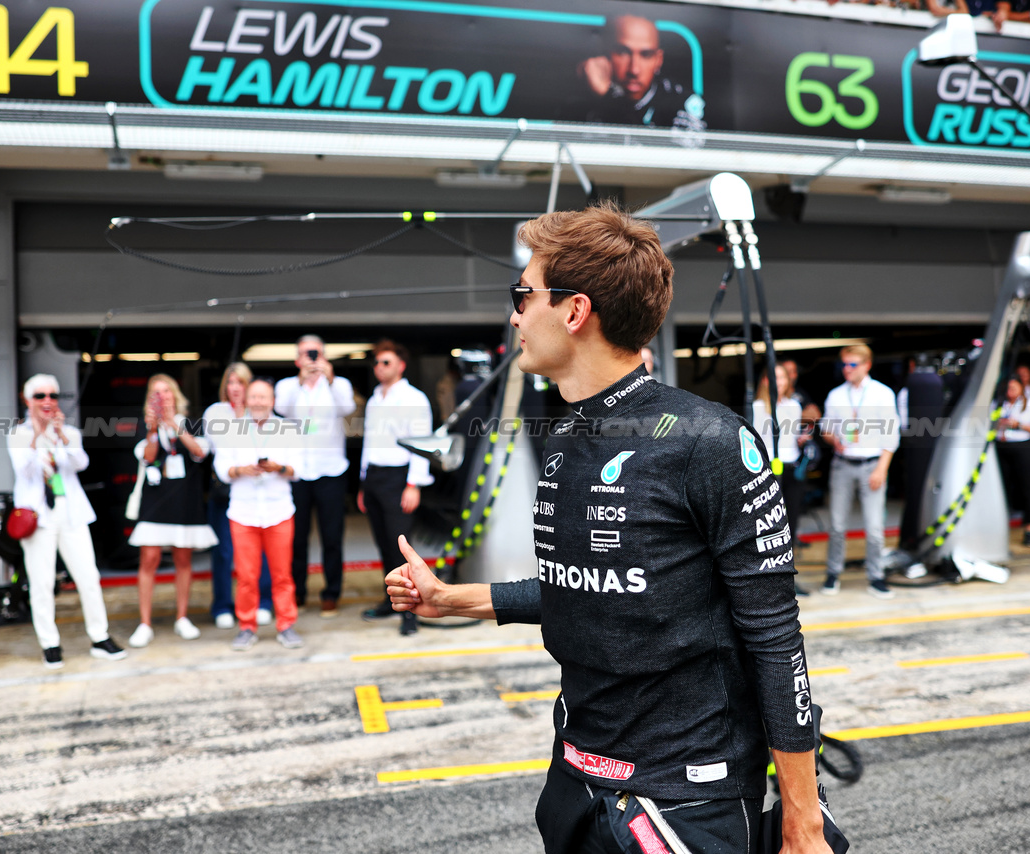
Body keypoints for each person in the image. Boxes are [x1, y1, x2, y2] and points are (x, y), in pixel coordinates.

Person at [385, 204, 828, 854]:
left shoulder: (710, 441)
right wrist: (454, 600)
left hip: (684, 798)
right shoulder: (566, 433)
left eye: (522, 295)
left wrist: (803, 824)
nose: (514, 315)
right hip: (574, 779)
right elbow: (598, 588)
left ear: (573, 311)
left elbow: (776, 637)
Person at [7, 374, 126, 668]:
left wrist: (59, 436)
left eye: (52, 395)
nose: (47, 401)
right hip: (38, 515)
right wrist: (38, 435)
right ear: (27, 400)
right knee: (42, 582)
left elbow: (81, 463)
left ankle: (100, 637)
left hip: (69, 510)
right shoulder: (18, 434)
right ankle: (50, 643)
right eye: (40, 396)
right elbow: (24, 471)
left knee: (89, 577)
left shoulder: (69, 431)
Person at [126, 375, 218, 648]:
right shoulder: (146, 427)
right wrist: (154, 429)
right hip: (156, 499)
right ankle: (145, 623)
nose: (163, 397)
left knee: (183, 559)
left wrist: (173, 425)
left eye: (166, 392)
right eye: (157, 393)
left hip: (185, 499)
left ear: (175, 395)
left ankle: (182, 617)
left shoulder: (190, 423)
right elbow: (148, 457)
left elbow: (200, 452)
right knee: (149, 558)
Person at [213, 379, 304, 650]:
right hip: (243, 513)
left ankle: (286, 624)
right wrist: (241, 470)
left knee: (282, 574)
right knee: (246, 575)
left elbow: (298, 470)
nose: (258, 402)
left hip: (279, 511)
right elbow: (221, 468)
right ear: (246, 400)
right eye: (254, 397)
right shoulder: (231, 430)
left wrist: (278, 467)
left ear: (272, 401)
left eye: (263, 397)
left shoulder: (288, 429)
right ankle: (247, 626)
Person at [357, 340, 435, 636]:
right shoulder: (376, 397)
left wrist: (413, 484)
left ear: (401, 366)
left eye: (386, 362)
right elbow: (370, 442)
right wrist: (364, 483)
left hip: (399, 477)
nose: (379, 367)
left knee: (401, 547)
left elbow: (421, 444)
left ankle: (411, 613)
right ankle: (392, 602)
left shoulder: (414, 398)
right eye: (376, 363)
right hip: (375, 476)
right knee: (383, 544)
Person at [275, 336, 356, 617]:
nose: (311, 359)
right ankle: (298, 592)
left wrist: (330, 379)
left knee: (332, 536)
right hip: (298, 472)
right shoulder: (287, 386)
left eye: (316, 354)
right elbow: (281, 410)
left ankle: (331, 593)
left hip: (330, 470)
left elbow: (346, 409)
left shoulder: (339, 385)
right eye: (305, 355)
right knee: (297, 538)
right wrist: (301, 380)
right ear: (297, 359)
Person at [819, 345, 900, 598]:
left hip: (871, 465)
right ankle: (833, 573)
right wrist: (834, 439)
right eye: (844, 364)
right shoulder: (836, 395)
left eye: (852, 364)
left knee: (875, 527)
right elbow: (826, 428)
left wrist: (881, 469)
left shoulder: (882, 394)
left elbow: (891, 435)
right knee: (837, 525)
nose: (846, 369)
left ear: (866, 365)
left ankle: (876, 576)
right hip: (843, 464)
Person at [204, 362, 275, 629]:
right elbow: (221, 451)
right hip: (226, 493)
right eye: (230, 382)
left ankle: (263, 602)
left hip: (258, 493)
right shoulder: (215, 412)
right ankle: (222, 605)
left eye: (240, 383)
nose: (234, 388)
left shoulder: (261, 414)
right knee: (223, 551)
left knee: (263, 551)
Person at [578, 15, 690, 129]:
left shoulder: (683, 103)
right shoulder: (579, 95)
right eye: (622, 52)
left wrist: (608, 97)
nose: (634, 70)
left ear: (659, 60)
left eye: (646, 55)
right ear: (604, 54)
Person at [753, 365, 806, 554]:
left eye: (782, 377)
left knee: (792, 518)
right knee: (771, 520)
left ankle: (789, 564)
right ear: (765, 381)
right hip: (768, 469)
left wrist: (801, 439)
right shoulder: (757, 407)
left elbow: (792, 437)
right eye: (774, 377)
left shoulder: (794, 406)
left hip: (791, 466)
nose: (779, 382)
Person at [896, 356, 944, 553]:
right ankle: (910, 539)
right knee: (916, 493)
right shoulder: (907, 392)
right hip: (915, 449)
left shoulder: (935, 386)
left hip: (934, 449)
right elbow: (904, 426)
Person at [997, 377, 1030, 546]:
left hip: (1023, 447)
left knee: (1027, 488)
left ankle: (1029, 528)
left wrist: (1018, 425)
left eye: (1013, 388)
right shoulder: (999, 403)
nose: (1009, 392)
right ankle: (1000, 528)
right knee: (1002, 489)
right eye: (1007, 388)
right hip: (1002, 447)